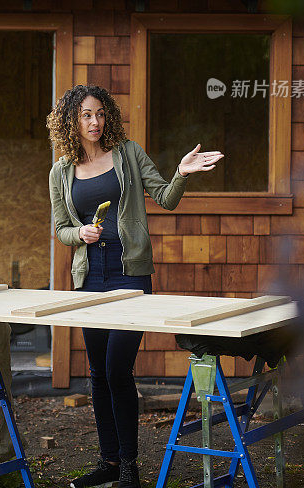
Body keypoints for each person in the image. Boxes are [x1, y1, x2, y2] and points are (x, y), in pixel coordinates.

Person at [47, 84, 224, 488]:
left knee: (116, 369)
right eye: (86, 116)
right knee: (97, 373)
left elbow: (165, 197)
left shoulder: (128, 152)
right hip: (89, 277)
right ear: (71, 122)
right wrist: (81, 234)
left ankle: (129, 466)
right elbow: (60, 229)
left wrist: (181, 173)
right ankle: (108, 463)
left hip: (130, 274)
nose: (95, 122)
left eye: (100, 114)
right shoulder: (61, 170)